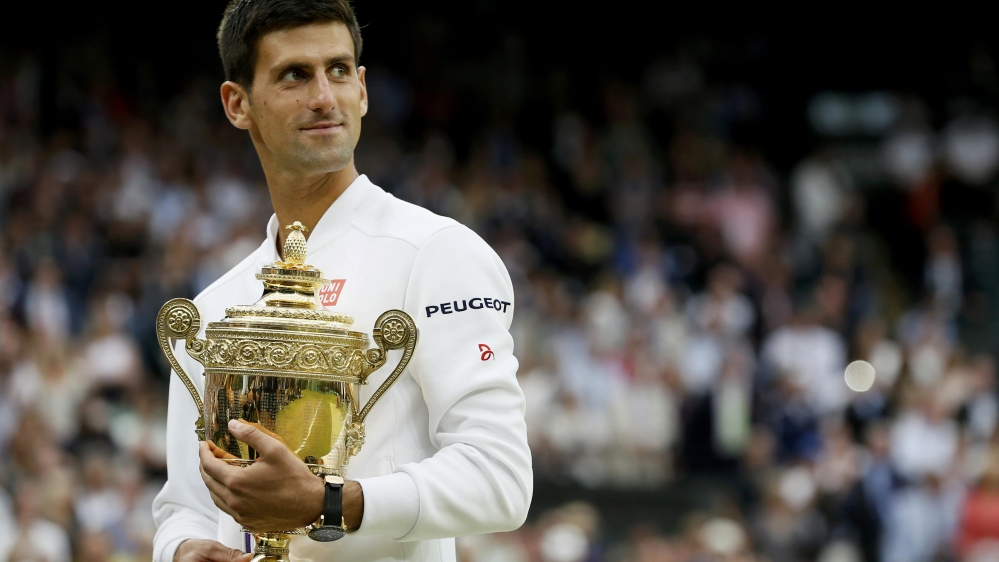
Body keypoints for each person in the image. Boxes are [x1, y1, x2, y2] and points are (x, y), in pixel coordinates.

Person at [150, 1, 533, 561]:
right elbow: (183, 504)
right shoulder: (215, 306)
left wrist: (328, 502)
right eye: (294, 76)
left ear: (363, 89)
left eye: (338, 70)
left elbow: (500, 480)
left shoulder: (436, 253)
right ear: (238, 104)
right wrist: (182, 550)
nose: (324, 97)